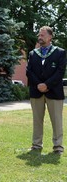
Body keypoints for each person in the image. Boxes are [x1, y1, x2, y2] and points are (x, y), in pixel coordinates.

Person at [26, 26, 66, 155]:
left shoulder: (60, 52)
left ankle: (58, 147)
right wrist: (38, 84)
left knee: (56, 120)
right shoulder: (33, 53)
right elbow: (29, 71)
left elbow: (60, 72)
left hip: (54, 91)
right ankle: (36, 145)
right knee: (37, 120)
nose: (39, 37)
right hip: (36, 91)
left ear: (50, 37)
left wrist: (47, 84)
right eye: (39, 34)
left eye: (42, 35)